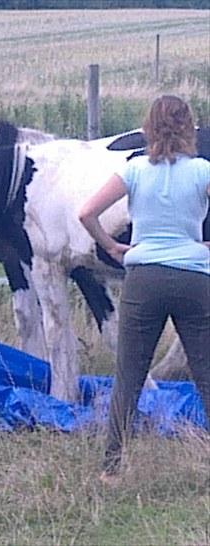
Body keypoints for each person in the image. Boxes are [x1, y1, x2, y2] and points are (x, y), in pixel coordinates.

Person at [78, 95, 210, 482]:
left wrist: (109, 245)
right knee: (205, 374)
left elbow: (86, 212)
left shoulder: (134, 170)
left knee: (129, 376)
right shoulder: (203, 171)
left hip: (144, 277)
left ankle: (111, 469)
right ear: (190, 128)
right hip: (193, 276)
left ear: (147, 128)